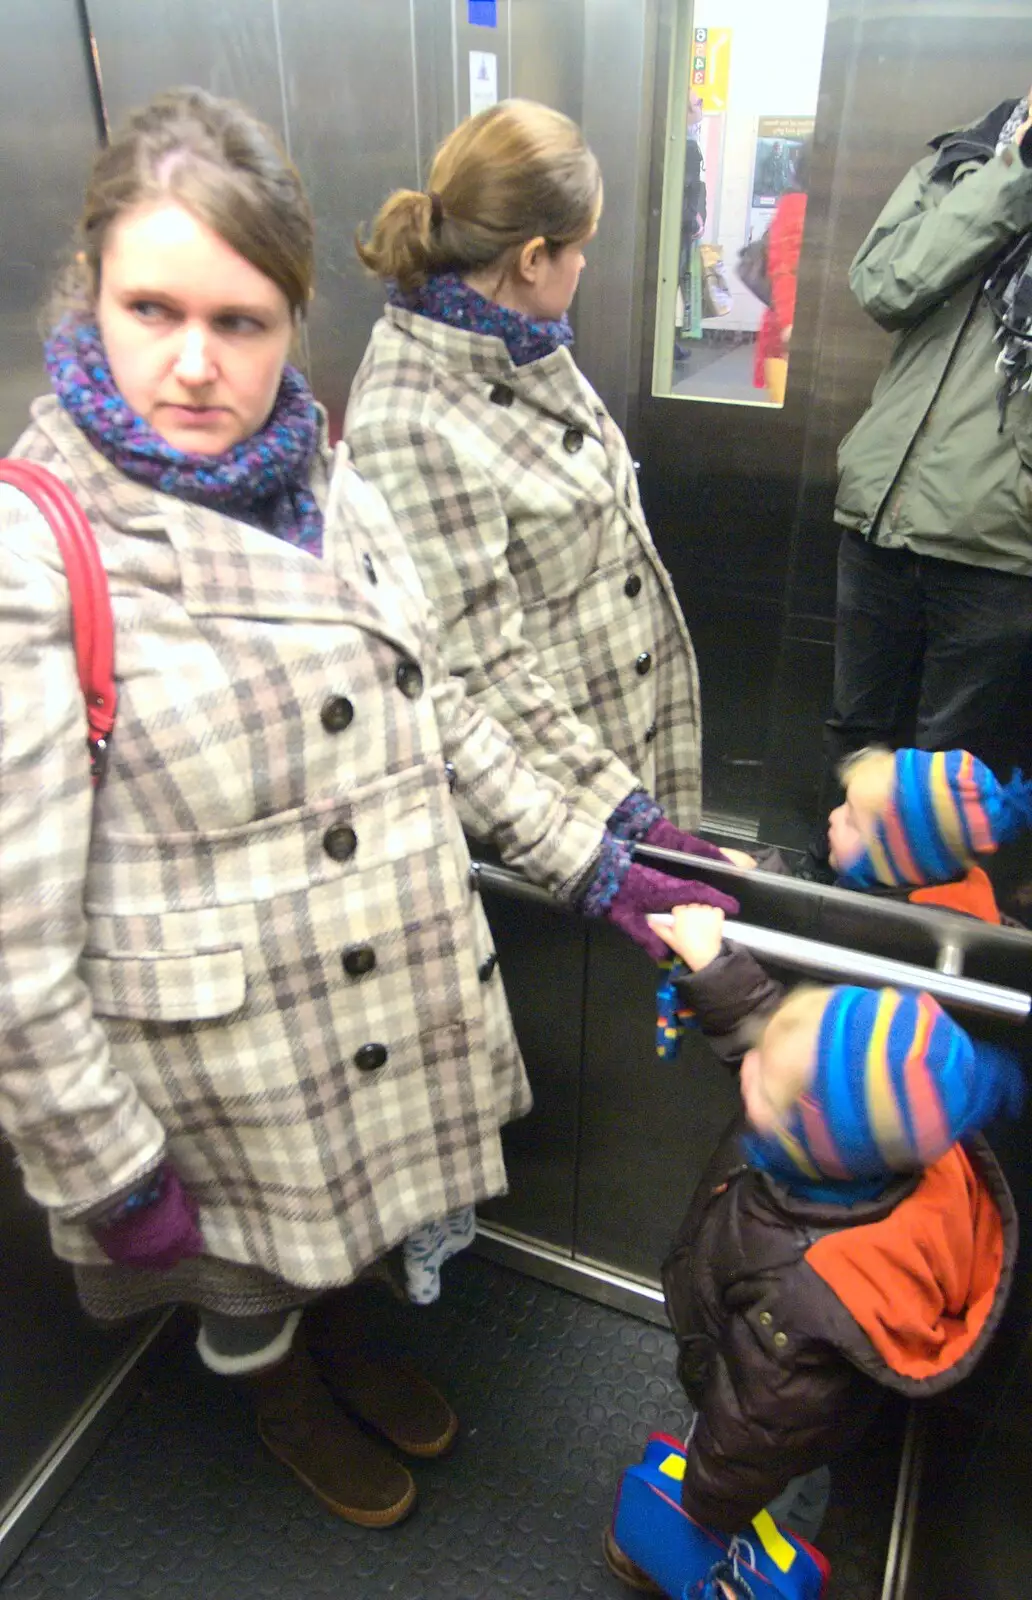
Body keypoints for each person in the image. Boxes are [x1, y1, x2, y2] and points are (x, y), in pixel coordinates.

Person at [0, 88, 740, 1533]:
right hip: (214, 1056)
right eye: (155, 310)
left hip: (361, 996)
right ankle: (276, 1388)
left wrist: (593, 854)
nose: (199, 366)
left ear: (294, 323)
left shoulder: (329, 482)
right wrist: (99, 1159)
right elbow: (13, 950)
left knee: (335, 1239)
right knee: (250, 1269)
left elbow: (441, 704)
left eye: (246, 320)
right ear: (92, 297)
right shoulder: (39, 555)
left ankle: (336, 1343)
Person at [346, 100, 737, 876]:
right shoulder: (411, 420)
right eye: (580, 247)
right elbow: (475, 671)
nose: (585, 265)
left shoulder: (513, 345)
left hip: (613, 743)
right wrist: (630, 818)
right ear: (532, 257)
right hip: (560, 805)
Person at [604, 903, 1023, 1592]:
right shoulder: (861, 1148)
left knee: (763, 1482)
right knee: (783, 1458)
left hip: (759, 1429)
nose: (753, 1061)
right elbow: (787, 1043)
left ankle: (718, 1549)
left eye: (766, 1077)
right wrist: (715, 970)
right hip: (778, 1395)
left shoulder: (809, 1294)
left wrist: (705, 1501)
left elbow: (757, 1430)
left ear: (810, 1140)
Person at [801, 89, 1032, 880]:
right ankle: (835, 904)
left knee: (953, 778)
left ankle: (922, 947)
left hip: (1002, 540)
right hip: (883, 511)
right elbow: (886, 283)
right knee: (854, 735)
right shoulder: (967, 156)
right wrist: (1014, 175)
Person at [753, 139, 808, 405]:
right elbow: (784, 269)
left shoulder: (800, 205)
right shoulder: (797, 206)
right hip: (791, 331)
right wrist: (789, 325)